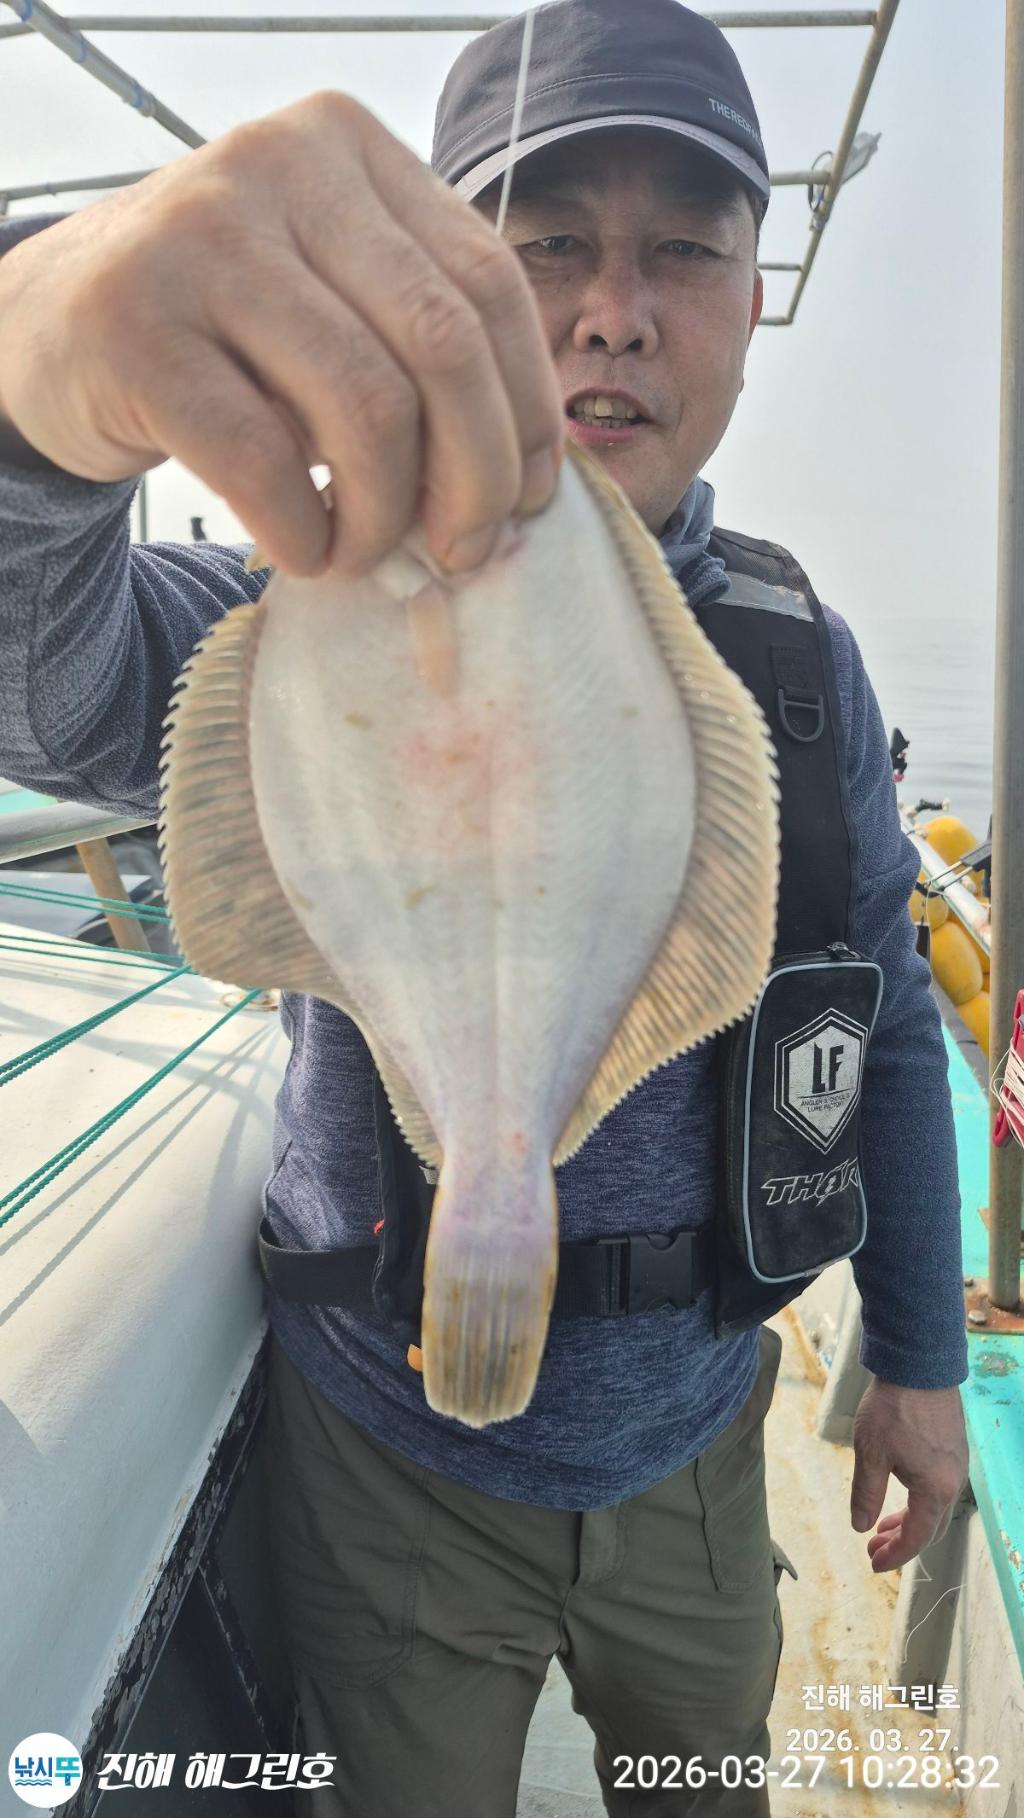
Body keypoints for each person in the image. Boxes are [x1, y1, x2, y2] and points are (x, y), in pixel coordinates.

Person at [0, 2, 969, 1813]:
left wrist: (916, 1358)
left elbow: (888, 1019)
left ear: (752, 300)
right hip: (382, 1461)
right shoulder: (302, 584)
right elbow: (45, 689)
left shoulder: (799, 662)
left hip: (694, 1449)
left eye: (684, 251)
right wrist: (38, 370)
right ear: (433, 289)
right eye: (545, 247)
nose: (613, 311)